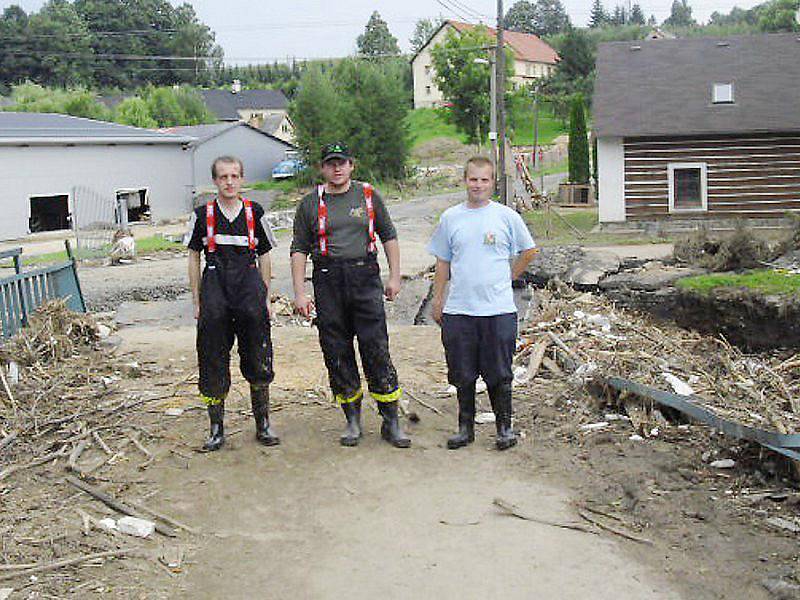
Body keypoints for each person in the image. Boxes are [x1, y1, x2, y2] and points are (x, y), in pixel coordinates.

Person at [290, 142, 409, 448]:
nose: (337, 168)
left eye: (342, 162)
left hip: (365, 278)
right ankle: (352, 420)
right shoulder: (309, 204)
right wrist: (300, 293)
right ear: (322, 168)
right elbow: (299, 249)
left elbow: (389, 236)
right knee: (337, 351)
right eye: (331, 163)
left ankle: (390, 420)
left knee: (376, 349)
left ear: (351, 165)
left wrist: (394, 276)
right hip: (328, 280)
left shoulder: (368, 196)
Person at [428, 156, 538, 450]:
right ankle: (465, 428)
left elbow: (529, 251)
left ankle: (504, 428)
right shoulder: (451, 218)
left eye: (484, 180)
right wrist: (438, 300)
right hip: (460, 310)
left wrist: (509, 275)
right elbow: (442, 262)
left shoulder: (506, 217)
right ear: (465, 181)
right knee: (462, 373)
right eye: (473, 179)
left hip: (498, 310)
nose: (478, 185)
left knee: (499, 372)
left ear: (493, 183)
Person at [186, 155, 279, 451]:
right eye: (223, 177)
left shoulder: (255, 213)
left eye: (234, 176)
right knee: (212, 357)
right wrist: (197, 300)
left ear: (242, 179)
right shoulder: (202, 215)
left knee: (258, 354)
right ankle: (216, 428)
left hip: (249, 289)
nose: (229, 182)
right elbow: (193, 257)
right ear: (215, 180)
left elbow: (264, 255)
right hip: (215, 288)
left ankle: (262, 424)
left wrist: (265, 296)